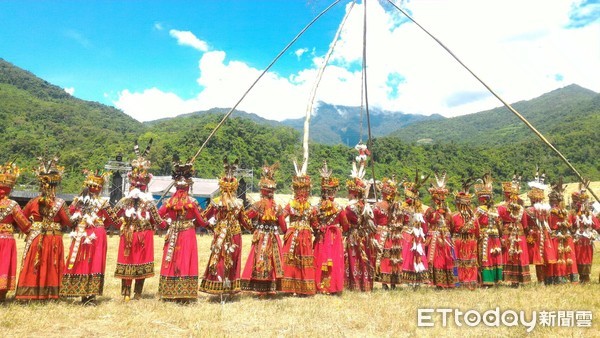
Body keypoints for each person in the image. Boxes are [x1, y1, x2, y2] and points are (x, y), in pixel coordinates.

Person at [16, 156, 72, 300]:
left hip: (35, 237)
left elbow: (21, 218)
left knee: (34, 264)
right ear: (55, 186)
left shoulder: (33, 201)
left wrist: (29, 229)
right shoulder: (59, 203)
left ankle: (29, 294)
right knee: (51, 264)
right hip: (53, 238)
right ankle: (50, 294)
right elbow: (68, 221)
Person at [114, 140, 163, 301]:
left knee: (134, 260)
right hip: (134, 233)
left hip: (139, 234)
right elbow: (158, 221)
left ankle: (132, 293)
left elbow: (113, 219)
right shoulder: (133, 201)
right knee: (131, 259)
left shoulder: (137, 201)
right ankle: (132, 293)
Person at [61, 170, 115, 304]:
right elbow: (114, 220)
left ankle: (80, 291)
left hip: (84, 232)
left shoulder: (77, 201)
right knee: (91, 261)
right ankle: (89, 295)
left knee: (83, 260)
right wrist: (103, 225)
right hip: (94, 233)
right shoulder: (102, 203)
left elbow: (68, 216)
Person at [157, 158, 207, 301]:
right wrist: (208, 224)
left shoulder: (169, 202)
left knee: (172, 258)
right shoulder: (192, 202)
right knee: (185, 259)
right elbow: (202, 220)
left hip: (174, 230)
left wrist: (164, 225)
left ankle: (169, 292)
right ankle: (184, 293)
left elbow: (158, 216)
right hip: (187, 232)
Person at [200, 157, 251, 295]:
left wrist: (210, 226)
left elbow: (203, 217)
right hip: (233, 233)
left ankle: (221, 286)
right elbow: (246, 222)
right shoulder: (237, 203)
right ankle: (227, 287)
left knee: (223, 258)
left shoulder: (218, 202)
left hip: (223, 232)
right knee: (227, 258)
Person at [241, 162, 287, 294]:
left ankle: (259, 286)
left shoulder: (258, 205)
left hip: (261, 235)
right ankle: (271, 287)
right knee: (272, 259)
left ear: (262, 191)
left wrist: (250, 228)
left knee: (259, 257)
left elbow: (245, 216)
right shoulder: (277, 207)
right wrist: (285, 232)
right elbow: (283, 224)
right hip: (273, 236)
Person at [280, 160, 316, 296]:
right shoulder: (310, 207)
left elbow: (281, 218)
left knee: (294, 259)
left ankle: (291, 289)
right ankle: (301, 289)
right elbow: (315, 223)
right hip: (303, 234)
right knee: (297, 259)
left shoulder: (292, 205)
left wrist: (286, 230)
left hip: (295, 233)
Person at [311, 161, 346, 295]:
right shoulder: (338, 208)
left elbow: (313, 222)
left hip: (321, 235)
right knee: (334, 259)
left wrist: (318, 229)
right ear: (334, 192)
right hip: (334, 236)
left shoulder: (317, 207)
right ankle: (332, 286)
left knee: (320, 258)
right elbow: (345, 224)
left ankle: (319, 285)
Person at [0, 162, 31, 301]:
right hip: (6, 238)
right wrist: (31, 230)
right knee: (4, 264)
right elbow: (24, 224)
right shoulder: (12, 205)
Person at [343, 161, 376, 292]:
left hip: (353, 234)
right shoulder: (365, 206)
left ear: (352, 193)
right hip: (365, 235)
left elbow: (345, 223)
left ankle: (354, 283)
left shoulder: (350, 207)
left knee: (354, 256)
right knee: (364, 257)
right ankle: (365, 283)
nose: (347, 195)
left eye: (349, 193)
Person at [424, 172, 457, 289]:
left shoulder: (447, 213)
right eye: (438, 199)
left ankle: (447, 282)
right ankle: (438, 283)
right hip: (435, 237)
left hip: (445, 238)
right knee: (437, 260)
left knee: (447, 259)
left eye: (442, 199)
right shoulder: (431, 211)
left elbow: (451, 225)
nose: (440, 201)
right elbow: (428, 220)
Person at [497, 173, 531, 286]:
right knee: (520, 254)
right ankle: (520, 278)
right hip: (519, 233)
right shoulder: (521, 208)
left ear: (505, 195)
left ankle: (509, 277)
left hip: (507, 231)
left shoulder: (501, 208)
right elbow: (525, 224)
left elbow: (498, 222)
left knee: (508, 253)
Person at [523, 169, 556, 284]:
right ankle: (547, 279)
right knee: (545, 257)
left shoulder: (528, 210)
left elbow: (525, 225)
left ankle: (541, 280)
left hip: (535, 234)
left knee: (539, 258)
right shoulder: (546, 210)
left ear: (532, 199)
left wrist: (527, 233)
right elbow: (550, 223)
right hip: (544, 234)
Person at [400, 170, 431, 287]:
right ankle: (415, 279)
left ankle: (409, 278)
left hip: (408, 234)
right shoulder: (419, 209)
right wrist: (425, 235)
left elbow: (401, 221)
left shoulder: (405, 208)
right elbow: (424, 226)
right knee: (413, 255)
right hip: (416, 235)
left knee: (409, 255)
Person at [545, 177, 579, 284]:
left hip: (559, 237)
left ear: (558, 201)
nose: (551, 203)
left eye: (553, 201)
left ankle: (562, 278)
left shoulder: (560, 213)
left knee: (564, 257)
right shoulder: (559, 212)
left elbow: (571, 226)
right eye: (550, 201)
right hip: (560, 237)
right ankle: (562, 277)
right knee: (561, 257)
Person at [473, 173, 504, 287]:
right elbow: (500, 225)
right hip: (495, 236)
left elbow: (474, 223)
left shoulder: (479, 210)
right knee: (495, 256)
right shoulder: (495, 210)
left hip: (485, 236)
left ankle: (487, 280)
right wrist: (500, 236)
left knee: (486, 257)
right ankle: (496, 279)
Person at [373, 176, 403, 290]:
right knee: (392, 257)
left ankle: (384, 283)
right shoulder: (396, 206)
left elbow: (374, 220)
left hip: (381, 232)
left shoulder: (377, 206)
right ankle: (393, 282)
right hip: (392, 234)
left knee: (384, 258)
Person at [451, 178, 479, 289]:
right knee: (471, 262)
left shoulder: (454, 216)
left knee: (459, 262)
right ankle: (471, 282)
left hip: (458, 241)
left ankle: (459, 282)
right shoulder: (474, 218)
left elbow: (451, 229)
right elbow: (478, 233)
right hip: (471, 241)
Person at [569, 182, 600, 283]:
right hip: (577, 240)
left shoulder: (590, 215)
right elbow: (569, 225)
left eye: (584, 202)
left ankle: (585, 278)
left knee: (586, 258)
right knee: (577, 258)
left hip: (587, 241)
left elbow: (597, 226)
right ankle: (577, 277)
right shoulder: (573, 215)